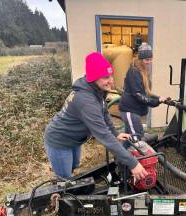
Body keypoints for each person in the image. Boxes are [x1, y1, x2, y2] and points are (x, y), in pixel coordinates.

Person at [44, 52, 148, 180]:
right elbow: (103, 135)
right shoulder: (87, 101)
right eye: (105, 77)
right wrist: (133, 163)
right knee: (64, 180)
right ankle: (59, 195)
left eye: (111, 75)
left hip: (74, 139)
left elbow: (104, 112)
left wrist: (115, 133)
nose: (111, 81)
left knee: (73, 166)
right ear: (93, 78)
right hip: (60, 140)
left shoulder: (96, 90)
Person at [119, 43, 168, 140]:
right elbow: (138, 95)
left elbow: (147, 92)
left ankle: (121, 154)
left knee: (129, 137)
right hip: (129, 110)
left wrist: (159, 98)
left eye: (150, 59)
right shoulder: (134, 72)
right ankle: (133, 155)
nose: (149, 62)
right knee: (137, 138)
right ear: (140, 60)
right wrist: (155, 102)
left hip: (134, 111)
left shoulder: (143, 71)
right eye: (146, 60)